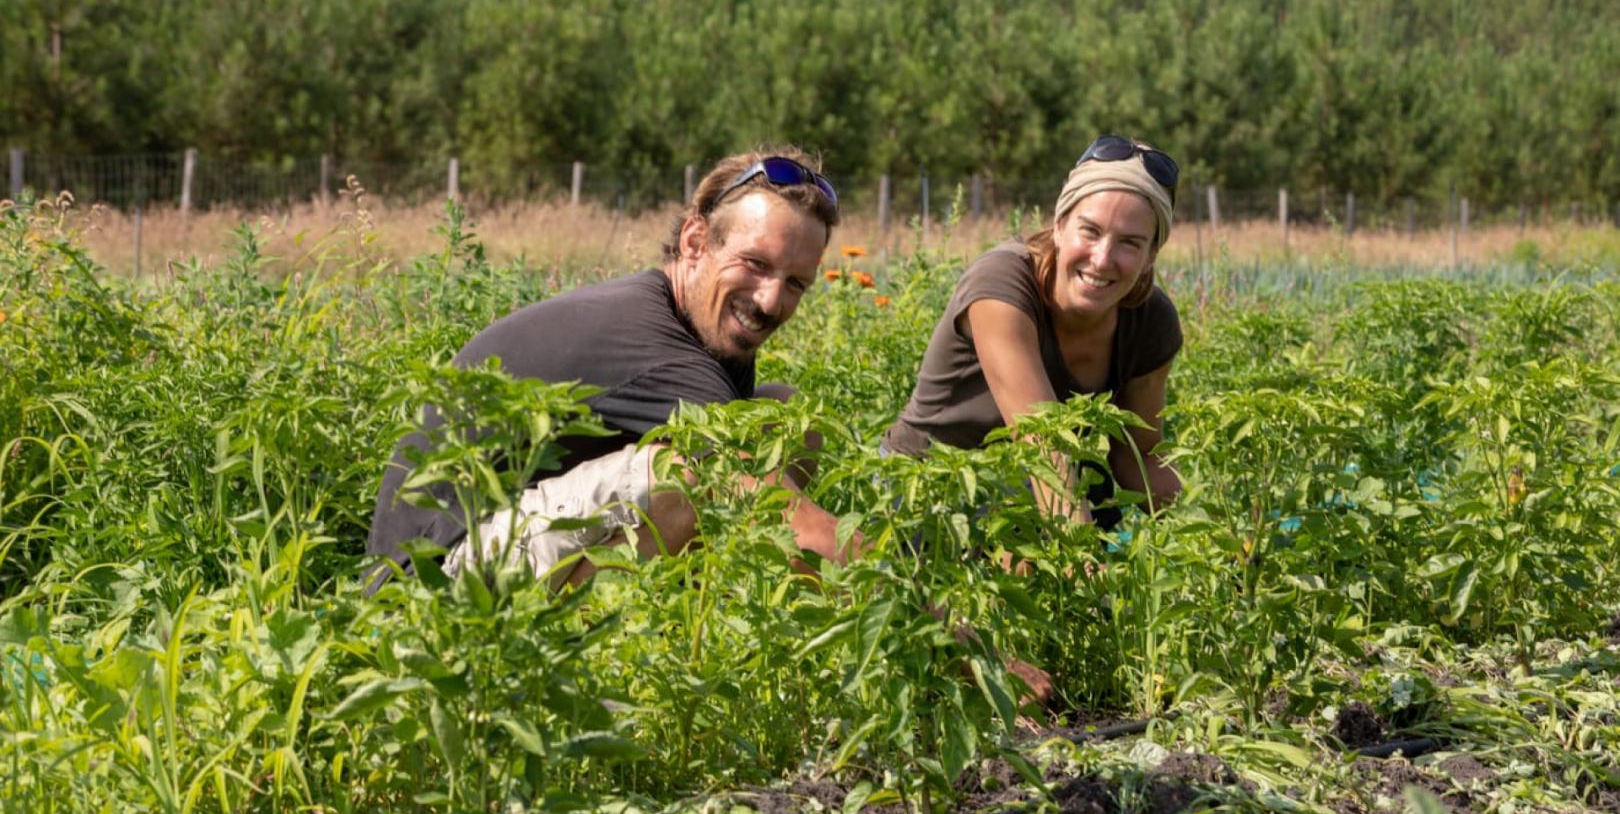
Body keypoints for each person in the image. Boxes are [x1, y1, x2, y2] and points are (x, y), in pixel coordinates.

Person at [364, 147, 854, 592]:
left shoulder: (701, 327)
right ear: (695, 242)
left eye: (795, 283)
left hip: (501, 531)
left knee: (787, 420)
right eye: (755, 263)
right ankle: (582, 668)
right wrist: (902, 591)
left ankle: (686, 627)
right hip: (431, 578)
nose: (771, 300)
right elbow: (779, 516)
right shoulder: (664, 348)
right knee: (688, 477)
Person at [880, 135, 1184, 529]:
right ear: (1059, 226)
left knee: (1087, 498)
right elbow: (1041, 445)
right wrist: (1082, 571)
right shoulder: (1003, 283)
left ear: (1150, 257)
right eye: (1090, 231)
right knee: (1028, 516)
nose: (1103, 259)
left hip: (1030, 492)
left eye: (1130, 243)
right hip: (928, 487)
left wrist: (1224, 541)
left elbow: (1136, 457)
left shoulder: (1150, 321)